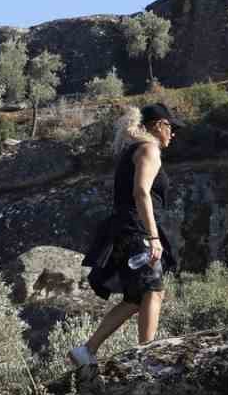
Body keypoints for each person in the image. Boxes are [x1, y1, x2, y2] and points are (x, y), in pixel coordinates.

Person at [71, 103, 181, 366]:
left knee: (136, 297)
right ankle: (147, 354)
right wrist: (153, 237)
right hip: (136, 230)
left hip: (125, 228)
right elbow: (141, 192)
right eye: (171, 127)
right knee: (152, 290)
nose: (173, 134)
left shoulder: (132, 150)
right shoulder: (149, 149)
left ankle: (86, 350)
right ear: (158, 125)